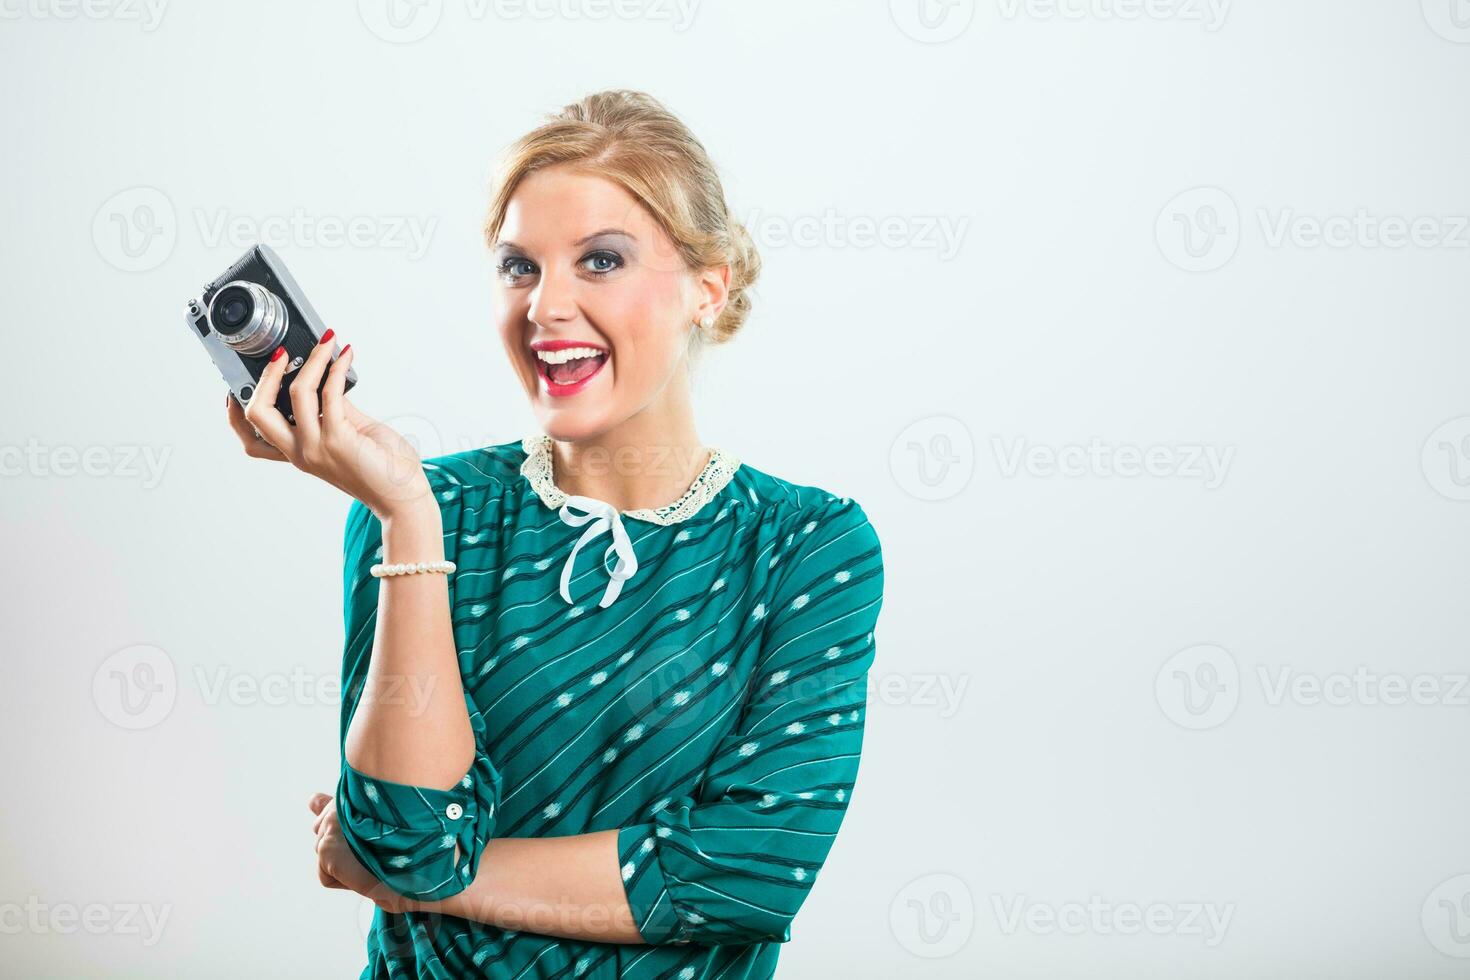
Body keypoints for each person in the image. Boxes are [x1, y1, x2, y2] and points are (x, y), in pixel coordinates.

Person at [226, 89, 886, 979]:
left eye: (600, 261)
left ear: (707, 285)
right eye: (519, 267)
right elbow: (406, 831)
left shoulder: (807, 544)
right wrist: (407, 518)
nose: (545, 307)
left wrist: (423, 880)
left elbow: (740, 877)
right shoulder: (428, 506)